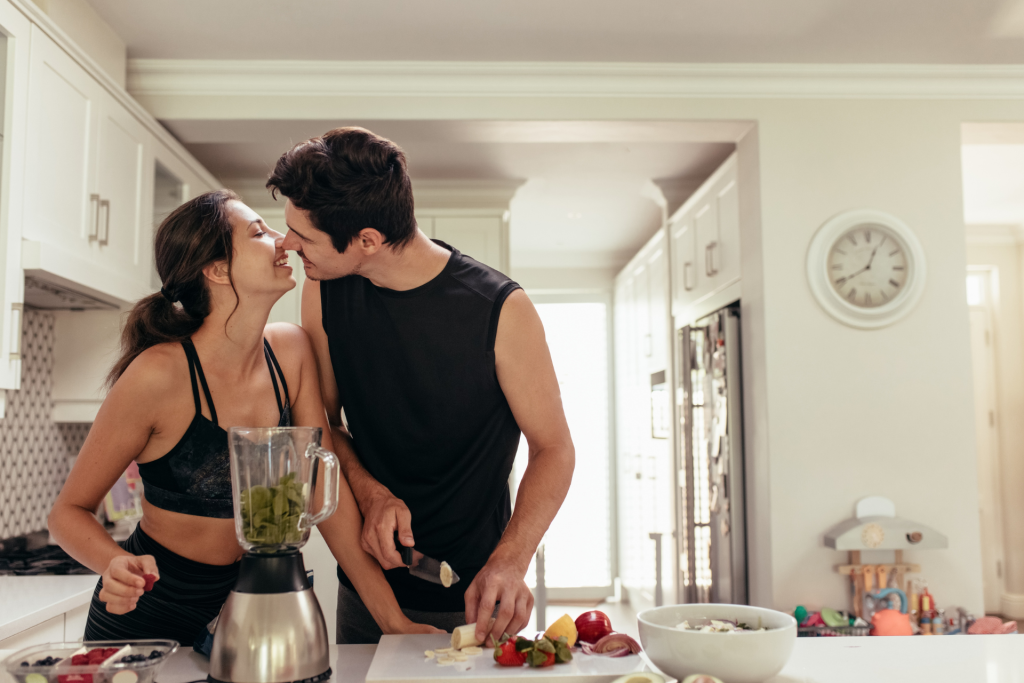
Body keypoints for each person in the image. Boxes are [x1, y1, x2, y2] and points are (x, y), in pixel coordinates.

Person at [48, 189, 439, 645]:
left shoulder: (291, 352)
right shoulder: (157, 376)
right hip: (147, 616)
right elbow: (67, 513)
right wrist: (113, 562)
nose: (284, 241)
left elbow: (321, 495)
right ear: (215, 270)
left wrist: (392, 621)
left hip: (252, 612)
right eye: (259, 231)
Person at [266, 127, 576, 645]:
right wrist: (370, 491)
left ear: (367, 240)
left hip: (479, 596)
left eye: (304, 236)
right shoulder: (326, 289)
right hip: (368, 592)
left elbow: (555, 449)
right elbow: (322, 424)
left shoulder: (500, 309)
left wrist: (510, 562)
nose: (287, 244)